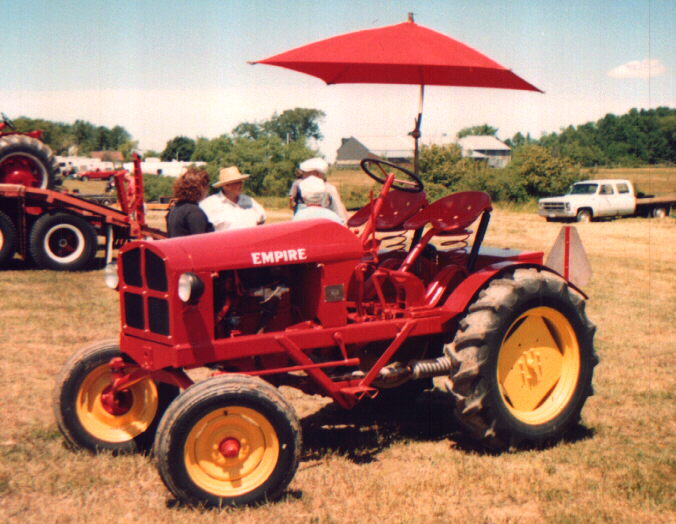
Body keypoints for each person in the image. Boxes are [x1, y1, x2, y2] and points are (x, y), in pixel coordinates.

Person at [199, 166, 266, 231]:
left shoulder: (249, 201)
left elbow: (261, 220)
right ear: (225, 186)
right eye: (236, 183)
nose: (240, 185)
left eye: (240, 182)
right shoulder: (209, 204)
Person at [291, 157, 349, 222]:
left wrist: (343, 221)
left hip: (324, 221)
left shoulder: (328, 189)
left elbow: (338, 209)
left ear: (316, 174)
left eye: (305, 173)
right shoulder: (303, 186)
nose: (303, 176)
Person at [165, 168, 214, 238]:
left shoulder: (174, 209)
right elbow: (200, 239)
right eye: (206, 186)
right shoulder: (194, 211)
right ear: (200, 188)